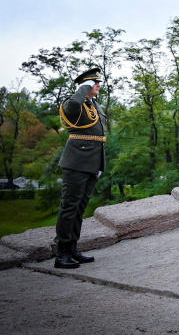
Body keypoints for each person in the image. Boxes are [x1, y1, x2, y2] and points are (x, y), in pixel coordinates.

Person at [54, 67, 107, 269]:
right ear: (86, 86)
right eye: (95, 83)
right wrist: (83, 90)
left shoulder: (93, 105)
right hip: (76, 162)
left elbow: (99, 135)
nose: (99, 85)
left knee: (79, 208)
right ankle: (62, 253)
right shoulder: (73, 103)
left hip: (92, 161)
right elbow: (74, 105)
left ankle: (72, 249)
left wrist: (100, 164)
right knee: (69, 207)